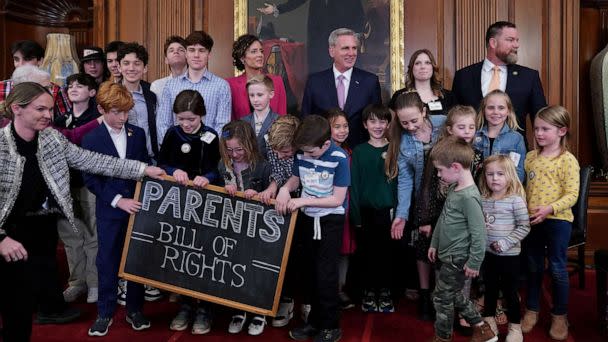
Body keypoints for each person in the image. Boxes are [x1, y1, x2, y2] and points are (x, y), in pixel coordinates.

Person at [0, 81, 164, 341]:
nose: (48, 116)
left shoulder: (52, 138)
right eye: (40, 109)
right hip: (8, 231)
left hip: (42, 228)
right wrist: (1, 238)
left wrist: (142, 170)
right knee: (13, 302)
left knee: (24, 305)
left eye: (51, 109)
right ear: (17, 109)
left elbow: (92, 161)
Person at [82, 82, 165, 336]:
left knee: (136, 260)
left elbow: (142, 169)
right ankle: (105, 313)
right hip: (110, 210)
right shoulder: (91, 138)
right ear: (101, 109)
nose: (122, 118)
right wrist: (119, 200)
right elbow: (91, 180)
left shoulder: (137, 134)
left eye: (126, 112)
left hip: (138, 208)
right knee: (107, 261)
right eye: (116, 112)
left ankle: (135, 310)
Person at [275, 115, 350, 342]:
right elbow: (296, 180)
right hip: (308, 218)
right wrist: (285, 190)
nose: (306, 155)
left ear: (325, 144)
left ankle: (330, 326)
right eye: (303, 152)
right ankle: (314, 322)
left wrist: (302, 201)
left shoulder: (339, 158)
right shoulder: (302, 152)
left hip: (329, 221)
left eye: (311, 152)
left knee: (326, 275)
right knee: (310, 272)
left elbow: (337, 199)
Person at [158, 89, 221, 335]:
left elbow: (218, 169)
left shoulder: (212, 136)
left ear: (201, 115)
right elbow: (161, 163)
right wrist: (174, 171)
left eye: (191, 120)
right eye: (181, 119)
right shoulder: (172, 134)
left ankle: (205, 308)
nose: (185, 124)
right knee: (183, 255)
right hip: (178, 204)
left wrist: (207, 177)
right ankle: (185, 304)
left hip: (205, 205)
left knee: (203, 255)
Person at [414, 105, 482, 324]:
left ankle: (467, 317)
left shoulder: (473, 172)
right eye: (462, 126)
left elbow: (478, 232)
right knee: (442, 278)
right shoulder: (440, 154)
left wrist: (475, 261)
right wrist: (426, 221)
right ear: (450, 129)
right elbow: (427, 186)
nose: (467, 131)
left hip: (463, 229)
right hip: (440, 216)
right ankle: (443, 314)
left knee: (457, 282)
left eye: (471, 127)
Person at [426, 136, 497, 342]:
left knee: (441, 297)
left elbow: (479, 233)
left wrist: (475, 262)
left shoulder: (468, 197)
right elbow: (444, 219)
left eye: (440, 170)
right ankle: (481, 327)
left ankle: (443, 337)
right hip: (447, 253)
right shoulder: (453, 189)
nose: (439, 174)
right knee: (451, 294)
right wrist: (434, 243)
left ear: (455, 167)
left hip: (458, 257)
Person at [521, 105, 580, 340]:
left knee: (556, 268)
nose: (539, 133)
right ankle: (532, 310)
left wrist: (549, 209)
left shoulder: (567, 160)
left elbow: (571, 194)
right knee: (533, 266)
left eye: (545, 129)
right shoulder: (530, 158)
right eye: (536, 129)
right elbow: (525, 188)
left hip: (557, 221)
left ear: (562, 131)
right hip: (533, 220)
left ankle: (559, 315)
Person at [218, 120, 271, 336]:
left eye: (239, 149)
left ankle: (259, 311)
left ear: (250, 144)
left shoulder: (262, 165)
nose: (235, 154)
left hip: (258, 228)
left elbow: (273, 192)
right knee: (236, 267)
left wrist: (259, 196)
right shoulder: (224, 164)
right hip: (234, 226)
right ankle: (239, 309)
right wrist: (225, 187)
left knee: (257, 269)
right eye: (229, 150)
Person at [451, 21, 546, 140]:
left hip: (513, 151)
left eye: (517, 40)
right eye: (510, 40)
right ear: (493, 43)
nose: (516, 45)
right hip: (470, 151)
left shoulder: (529, 76)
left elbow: (542, 118)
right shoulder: (463, 76)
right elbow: (454, 116)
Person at [55, 73, 101, 304]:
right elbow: (61, 141)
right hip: (63, 185)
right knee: (71, 237)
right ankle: (77, 282)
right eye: (70, 85)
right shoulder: (59, 118)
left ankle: (94, 283)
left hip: (88, 183)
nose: (73, 88)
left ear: (92, 92)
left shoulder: (97, 118)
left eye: (80, 85)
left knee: (91, 236)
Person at [349, 104, 396, 313]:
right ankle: (368, 291)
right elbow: (355, 186)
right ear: (365, 124)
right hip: (366, 212)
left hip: (388, 213)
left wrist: (398, 214)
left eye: (382, 121)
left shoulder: (394, 148)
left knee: (387, 254)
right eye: (373, 121)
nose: (378, 126)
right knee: (366, 253)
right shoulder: (359, 151)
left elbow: (398, 184)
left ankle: (385, 291)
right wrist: (356, 216)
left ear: (388, 124)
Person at [478, 155, 530, 342]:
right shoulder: (483, 198)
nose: (494, 178)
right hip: (489, 255)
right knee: (490, 289)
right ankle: (489, 323)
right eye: (490, 174)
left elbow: (524, 226)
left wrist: (505, 243)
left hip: (510, 256)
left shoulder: (515, 200)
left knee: (510, 292)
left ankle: (515, 327)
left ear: (509, 176)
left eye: (500, 174)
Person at [301, 28, 382, 147]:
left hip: (358, 153)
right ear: (332, 51)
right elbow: (306, 120)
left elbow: (376, 120)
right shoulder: (315, 82)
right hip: (324, 153)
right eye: (345, 48)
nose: (351, 53)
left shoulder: (370, 81)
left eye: (354, 48)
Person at [257, 114, 301, 328]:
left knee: (300, 255)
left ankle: (300, 300)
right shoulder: (272, 141)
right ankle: (282, 298)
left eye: (284, 152)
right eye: (275, 150)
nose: (279, 154)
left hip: (305, 201)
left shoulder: (305, 142)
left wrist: (285, 189)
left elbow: (299, 171)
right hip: (282, 202)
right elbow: (278, 168)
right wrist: (273, 186)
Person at [386, 91, 445, 246]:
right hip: (424, 201)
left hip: (448, 196)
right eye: (404, 123)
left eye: (414, 120)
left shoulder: (445, 123)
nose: (410, 127)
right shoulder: (402, 142)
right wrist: (402, 214)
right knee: (424, 248)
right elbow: (405, 181)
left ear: (423, 111)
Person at [157, 31, 231, 142]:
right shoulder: (171, 85)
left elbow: (223, 125)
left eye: (201, 50)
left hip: (208, 153)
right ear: (186, 53)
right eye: (192, 50)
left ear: (209, 54)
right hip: (176, 153)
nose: (196, 55)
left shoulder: (221, 86)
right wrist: (176, 148)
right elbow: (163, 123)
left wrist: (202, 148)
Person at [257, 0, 365, 75]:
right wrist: (277, 9)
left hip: (341, 37)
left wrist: (355, 36)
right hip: (318, 38)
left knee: (342, 73)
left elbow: (358, 13)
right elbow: (297, 1)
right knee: (318, 72)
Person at [323, 108, 355, 310]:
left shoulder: (350, 151)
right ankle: (329, 290)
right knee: (330, 251)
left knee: (345, 250)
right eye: (337, 127)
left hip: (347, 207)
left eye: (345, 126)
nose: (342, 131)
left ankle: (340, 288)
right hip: (329, 208)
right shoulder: (324, 152)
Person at [116, 42, 160, 162]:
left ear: (145, 68)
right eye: (126, 63)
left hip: (150, 161)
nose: (131, 68)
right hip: (122, 161)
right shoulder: (110, 94)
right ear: (119, 67)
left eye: (137, 63)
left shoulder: (152, 95)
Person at [227, 34, 287, 120]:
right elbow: (231, 120)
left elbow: (282, 117)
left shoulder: (276, 81)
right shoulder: (230, 85)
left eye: (261, 51)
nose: (260, 55)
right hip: (241, 132)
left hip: (273, 132)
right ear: (242, 58)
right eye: (254, 51)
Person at [473, 90, 527, 182]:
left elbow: (518, 172)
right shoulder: (474, 136)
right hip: (478, 191)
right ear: (483, 111)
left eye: (501, 108)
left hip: (505, 192)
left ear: (508, 111)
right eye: (490, 108)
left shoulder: (516, 139)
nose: (495, 112)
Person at [390, 49, 456, 116]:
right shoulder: (399, 96)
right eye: (417, 63)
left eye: (427, 63)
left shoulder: (449, 97)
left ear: (433, 67)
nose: (423, 67)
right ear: (411, 68)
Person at [242, 74, 280, 158]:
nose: (255, 100)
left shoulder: (279, 121)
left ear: (271, 94)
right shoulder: (243, 122)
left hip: (271, 168)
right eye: (251, 95)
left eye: (260, 95)